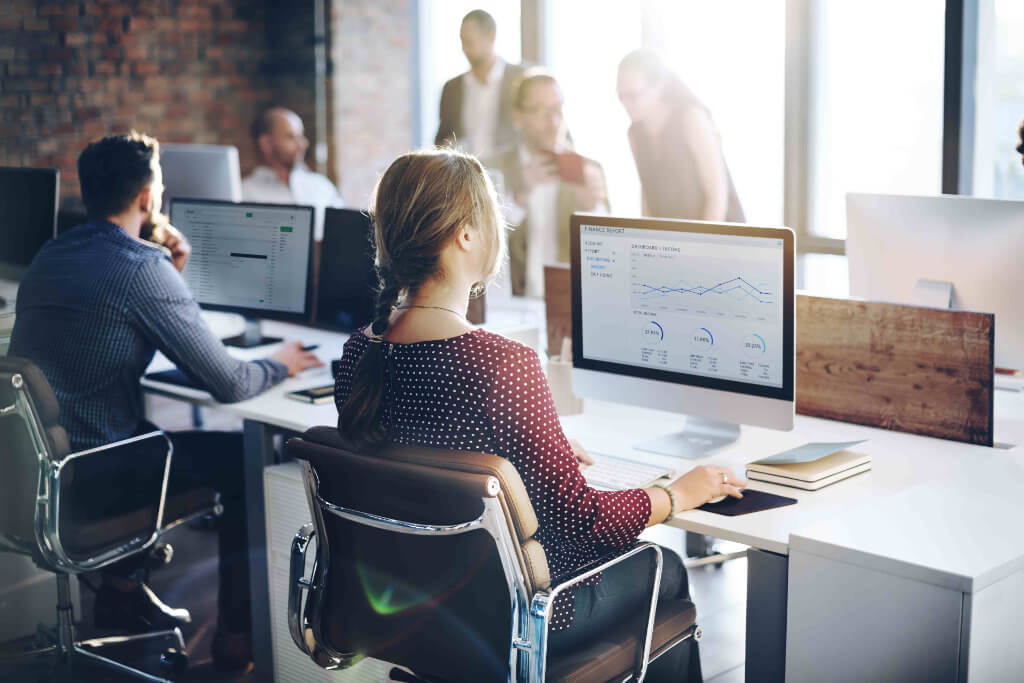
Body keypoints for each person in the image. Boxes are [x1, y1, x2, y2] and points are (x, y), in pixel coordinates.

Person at [332, 148, 746, 680]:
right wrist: (677, 495)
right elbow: (583, 521)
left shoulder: (359, 353)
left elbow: (426, 451)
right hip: (521, 614)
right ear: (465, 234)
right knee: (662, 564)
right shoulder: (501, 364)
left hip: (417, 608)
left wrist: (531, 448)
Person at [10, 132, 322, 671]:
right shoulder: (141, 269)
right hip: (94, 477)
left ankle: (123, 595)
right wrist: (284, 362)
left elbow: (106, 326)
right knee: (243, 464)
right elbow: (230, 384)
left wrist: (166, 275)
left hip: (28, 476)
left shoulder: (49, 255)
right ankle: (236, 638)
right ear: (149, 199)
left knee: (133, 427)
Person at [485, 69, 609, 297]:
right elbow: (481, 246)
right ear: (518, 116)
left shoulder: (588, 170)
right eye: (541, 111)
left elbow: (609, 256)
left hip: (568, 303)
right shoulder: (492, 170)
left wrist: (592, 208)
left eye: (557, 109)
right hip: (511, 304)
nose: (553, 121)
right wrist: (519, 198)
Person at [618, 49, 745, 223]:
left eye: (633, 95)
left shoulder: (691, 117)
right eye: (620, 95)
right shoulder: (634, 133)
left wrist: (699, 244)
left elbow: (717, 194)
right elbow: (647, 195)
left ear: (659, 87)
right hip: (674, 241)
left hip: (719, 233)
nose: (625, 103)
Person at [434, 9, 526, 159]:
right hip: (466, 176)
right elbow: (441, 139)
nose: (464, 49)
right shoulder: (452, 88)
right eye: (462, 41)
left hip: (510, 175)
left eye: (469, 42)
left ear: (491, 37)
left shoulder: (520, 79)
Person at [241, 106, 343, 240]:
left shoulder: (321, 185)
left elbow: (345, 231)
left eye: (301, 136)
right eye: (291, 137)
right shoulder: (245, 193)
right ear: (266, 143)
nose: (303, 144)